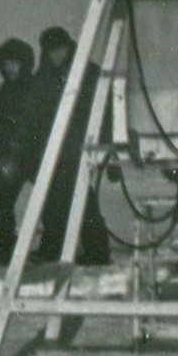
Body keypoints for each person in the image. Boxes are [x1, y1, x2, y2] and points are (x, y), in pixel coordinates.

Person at [33, 24, 112, 264]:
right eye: (51, 50)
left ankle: (97, 251)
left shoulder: (88, 73)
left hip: (79, 147)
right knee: (53, 201)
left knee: (82, 200)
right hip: (54, 149)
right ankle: (54, 248)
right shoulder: (45, 76)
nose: (56, 55)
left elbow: (105, 112)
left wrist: (105, 146)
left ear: (68, 48)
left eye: (59, 49)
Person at [0, 37, 47, 263]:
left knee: (54, 203)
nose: (8, 68)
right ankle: (6, 251)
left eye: (13, 63)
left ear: (24, 63)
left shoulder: (37, 88)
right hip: (9, 160)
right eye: (5, 63)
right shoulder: (5, 90)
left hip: (35, 157)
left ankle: (54, 249)